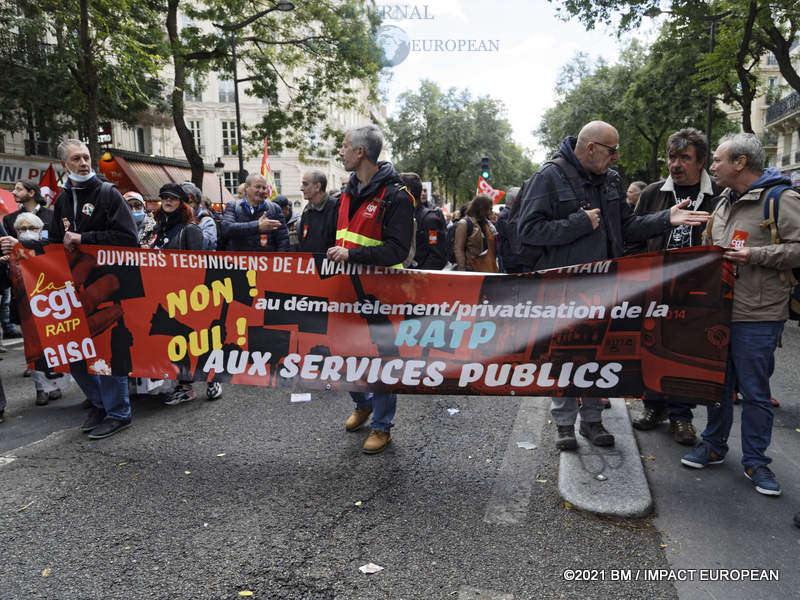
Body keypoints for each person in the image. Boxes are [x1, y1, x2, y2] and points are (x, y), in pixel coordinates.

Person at [516, 120, 710, 451]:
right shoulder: (548, 176)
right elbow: (528, 231)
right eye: (612, 151)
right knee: (563, 358)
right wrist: (578, 223)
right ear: (591, 148)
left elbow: (628, 226)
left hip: (605, 289)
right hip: (562, 289)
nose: (616, 158)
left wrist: (666, 219)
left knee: (597, 358)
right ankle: (564, 425)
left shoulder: (611, 180)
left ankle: (593, 422)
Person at [680, 132, 800, 497]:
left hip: (759, 314)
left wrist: (756, 256)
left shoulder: (783, 198)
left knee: (754, 392)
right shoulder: (723, 203)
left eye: (716, 159)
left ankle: (756, 462)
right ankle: (713, 445)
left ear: (740, 163)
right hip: (719, 311)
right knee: (717, 384)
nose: (711, 166)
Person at [627, 128, 718, 446]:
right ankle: (654, 408)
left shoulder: (717, 193)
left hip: (699, 293)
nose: (675, 164)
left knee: (686, 352)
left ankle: (682, 417)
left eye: (684, 158)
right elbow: (633, 236)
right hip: (656, 289)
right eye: (671, 157)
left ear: (702, 161)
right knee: (652, 348)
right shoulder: (653, 193)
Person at [326, 124, 413, 454]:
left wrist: (352, 255)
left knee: (381, 360)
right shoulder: (346, 192)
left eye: (345, 146)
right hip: (346, 290)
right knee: (342, 354)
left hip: (382, 296)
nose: (341, 152)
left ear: (360, 152)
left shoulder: (396, 196)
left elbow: (397, 251)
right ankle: (362, 403)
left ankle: (381, 425)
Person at [47, 139, 139, 439]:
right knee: (74, 353)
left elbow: (128, 238)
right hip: (72, 290)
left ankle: (118, 413)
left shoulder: (108, 194)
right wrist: (20, 246)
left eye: (87, 157)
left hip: (106, 285)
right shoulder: (62, 200)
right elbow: (53, 245)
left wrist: (84, 238)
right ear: (65, 165)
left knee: (106, 352)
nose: (84, 163)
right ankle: (100, 404)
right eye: (76, 159)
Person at [221, 174, 289, 252]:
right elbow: (227, 228)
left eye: (264, 188)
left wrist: (278, 261)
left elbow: (283, 241)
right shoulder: (233, 206)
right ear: (247, 187)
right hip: (240, 262)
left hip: (266, 262)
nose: (261, 191)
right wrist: (257, 226)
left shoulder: (275, 209)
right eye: (258, 187)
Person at [403, 173, 448, 270]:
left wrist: (418, 276)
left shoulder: (430, 220)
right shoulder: (405, 215)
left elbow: (437, 257)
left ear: (408, 191)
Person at [454, 195, 498, 272]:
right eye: (489, 209)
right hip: (471, 270)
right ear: (482, 208)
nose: (491, 212)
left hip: (486, 269)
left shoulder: (487, 224)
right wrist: (462, 271)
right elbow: (458, 249)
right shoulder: (464, 224)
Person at [298, 169, 337, 253]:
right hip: (310, 264)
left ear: (317, 187)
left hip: (330, 264)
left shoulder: (336, 208)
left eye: (305, 184)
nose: (301, 188)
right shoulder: (306, 211)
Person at [181, 181, 217, 251]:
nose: (186, 206)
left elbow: (206, 246)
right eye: (183, 202)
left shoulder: (207, 221)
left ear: (197, 203)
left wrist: (190, 221)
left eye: (189, 202)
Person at [495, 186, 523, 273]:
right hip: (511, 258)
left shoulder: (511, 214)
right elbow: (513, 235)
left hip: (514, 258)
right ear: (515, 200)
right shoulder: (505, 216)